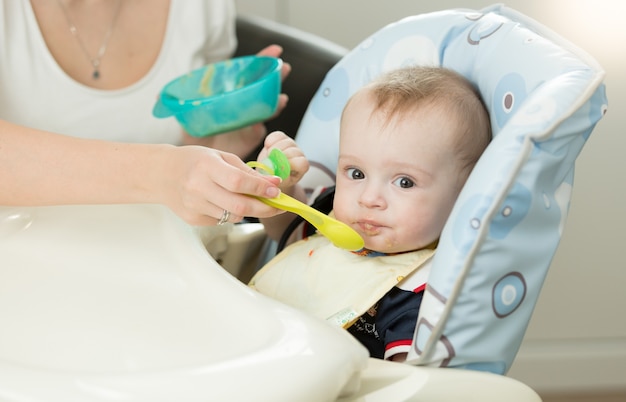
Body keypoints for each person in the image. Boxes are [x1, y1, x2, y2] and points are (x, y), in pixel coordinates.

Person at [250, 65, 492, 361]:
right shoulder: (332, 216)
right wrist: (281, 190)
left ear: (462, 196)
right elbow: (284, 233)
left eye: (405, 182)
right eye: (356, 173)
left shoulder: (419, 292)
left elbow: (401, 384)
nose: (369, 198)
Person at [0, 0, 291, 225]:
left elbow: (189, 164)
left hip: (162, 258)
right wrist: (162, 171)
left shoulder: (201, 7)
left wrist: (213, 146)